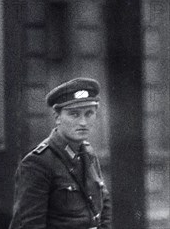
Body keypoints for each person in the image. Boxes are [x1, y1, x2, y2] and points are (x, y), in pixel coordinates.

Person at [9, 78, 111, 229]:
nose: (83, 122)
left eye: (89, 113)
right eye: (74, 114)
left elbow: (104, 206)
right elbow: (29, 225)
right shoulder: (38, 163)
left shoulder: (88, 153)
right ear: (57, 117)